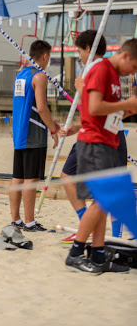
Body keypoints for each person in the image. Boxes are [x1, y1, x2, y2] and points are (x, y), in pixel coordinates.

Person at [65, 38, 137, 274]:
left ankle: (97, 255)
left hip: (106, 141)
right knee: (102, 201)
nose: (132, 73)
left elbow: (105, 113)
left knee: (103, 203)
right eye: (134, 67)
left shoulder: (115, 75)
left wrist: (128, 109)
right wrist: (126, 103)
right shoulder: (102, 69)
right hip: (94, 143)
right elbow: (94, 107)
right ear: (125, 56)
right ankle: (76, 253)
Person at [60, 30, 128, 243]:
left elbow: (96, 107)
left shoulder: (95, 67)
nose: (79, 56)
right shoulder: (110, 70)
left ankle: (84, 229)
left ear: (88, 49)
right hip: (108, 132)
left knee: (74, 179)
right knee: (109, 189)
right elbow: (103, 110)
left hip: (97, 137)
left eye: (80, 51)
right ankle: (106, 236)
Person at [10, 40, 60, 232]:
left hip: (20, 133)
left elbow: (30, 107)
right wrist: (53, 131)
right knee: (31, 179)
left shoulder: (20, 75)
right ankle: (30, 222)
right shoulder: (39, 76)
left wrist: (52, 123)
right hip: (34, 134)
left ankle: (16, 219)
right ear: (45, 56)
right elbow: (41, 107)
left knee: (18, 177)